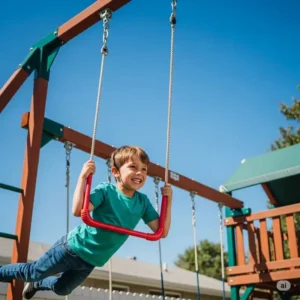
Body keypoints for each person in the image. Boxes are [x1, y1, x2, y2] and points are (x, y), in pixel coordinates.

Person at [0, 146, 173, 299]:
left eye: (144, 169)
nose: (140, 173)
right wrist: (83, 178)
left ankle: (38, 285)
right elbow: (77, 210)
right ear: (116, 172)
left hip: (91, 261)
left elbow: (161, 231)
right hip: (72, 248)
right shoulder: (106, 191)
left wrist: (168, 200)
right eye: (133, 167)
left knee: (62, 289)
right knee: (33, 272)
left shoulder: (143, 203)